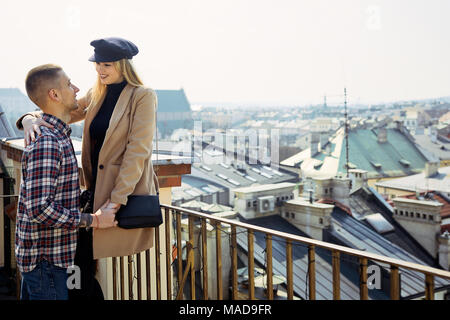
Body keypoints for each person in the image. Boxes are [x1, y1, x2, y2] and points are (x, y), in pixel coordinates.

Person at [17, 37, 159, 300]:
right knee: (77, 268)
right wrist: (27, 119)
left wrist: (114, 203)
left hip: (115, 197)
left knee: (79, 269)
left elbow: (137, 153)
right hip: (90, 200)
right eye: (97, 65)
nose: (100, 71)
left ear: (123, 65)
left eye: (106, 65)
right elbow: (58, 109)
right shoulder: (97, 93)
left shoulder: (143, 96)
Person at [16, 64, 118, 300]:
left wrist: (29, 119)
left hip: (46, 261)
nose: (76, 89)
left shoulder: (55, 135)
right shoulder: (48, 142)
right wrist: (93, 221)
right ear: (55, 94)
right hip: (46, 264)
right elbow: (40, 209)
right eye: (69, 84)